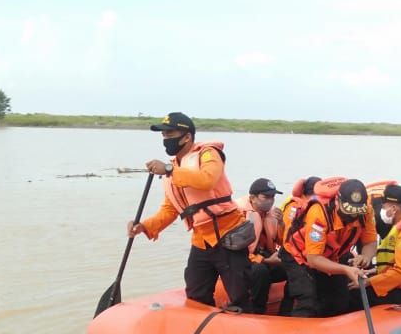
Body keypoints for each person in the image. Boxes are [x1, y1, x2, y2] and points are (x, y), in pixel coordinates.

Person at [127, 112, 252, 311]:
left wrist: (168, 169)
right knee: (196, 293)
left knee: (241, 293)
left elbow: (207, 179)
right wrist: (144, 226)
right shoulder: (174, 170)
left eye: (170, 134)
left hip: (228, 235)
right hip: (201, 241)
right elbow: (170, 209)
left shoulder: (208, 154)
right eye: (164, 135)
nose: (166, 139)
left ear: (186, 136)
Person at [279, 177, 377, 317]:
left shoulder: (366, 211)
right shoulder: (319, 213)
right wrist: (345, 269)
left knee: (340, 300)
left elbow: (371, 242)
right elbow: (313, 259)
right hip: (299, 255)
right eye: (349, 211)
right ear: (337, 201)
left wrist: (365, 257)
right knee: (307, 298)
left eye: (357, 211)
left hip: (334, 254)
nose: (354, 215)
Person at [236, 178, 291, 315]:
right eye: (266, 197)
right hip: (243, 262)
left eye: (273, 196)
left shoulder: (272, 214)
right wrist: (266, 261)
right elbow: (237, 252)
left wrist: (282, 225)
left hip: (266, 256)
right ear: (252, 198)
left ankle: (286, 310)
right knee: (260, 271)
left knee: (295, 266)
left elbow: (282, 241)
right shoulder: (238, 215)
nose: (271, 200)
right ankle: (258, 311)